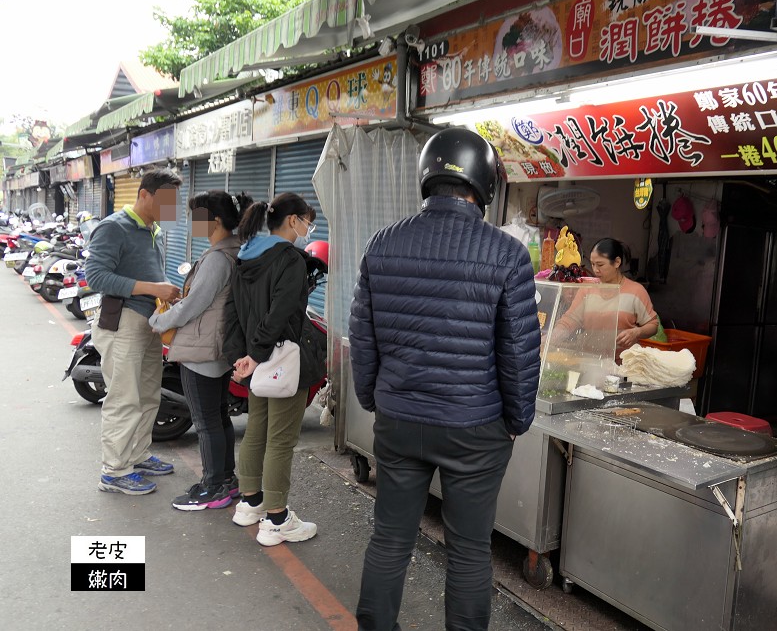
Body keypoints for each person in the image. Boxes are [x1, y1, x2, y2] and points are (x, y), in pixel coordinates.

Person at [350, 127, 542, 631]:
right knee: (469, 551)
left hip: (399, 418)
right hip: (474, 429)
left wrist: (375, 399)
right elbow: (520, 352)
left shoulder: (383, 244)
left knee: (390, 538)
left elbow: (363, 336)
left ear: (426, 177)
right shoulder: (507, 254)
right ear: (484, 184)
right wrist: (517, 421)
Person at [223, 192, 320, 546]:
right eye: (308, 220)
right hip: (283, 362)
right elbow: (280, 314)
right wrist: (259, 354)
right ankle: (277, 519)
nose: (309, 227)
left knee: (256, 432)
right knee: (280, 440)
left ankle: (250, 504)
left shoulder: (245, 256)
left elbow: (231, 313)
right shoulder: (291, 260)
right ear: (293, 221)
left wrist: (242, 356)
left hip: (253, 362)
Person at [149, 190, 252, 511]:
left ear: (215, 220)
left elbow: (195, 304)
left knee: (206, 421)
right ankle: (225, 480)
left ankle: (213, 486)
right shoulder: (235, 250)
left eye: (196, 216)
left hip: (201, 348)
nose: (191, 222)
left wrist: (159, 319)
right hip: (217, 347)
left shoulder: (218, 258)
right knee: (218, 416)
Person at [86, 168, 182, 495]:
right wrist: (151, 286)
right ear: (144, 194)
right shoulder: (114, 228)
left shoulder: (153, 229)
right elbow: (95, 276)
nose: (172, 209)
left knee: (148, 394)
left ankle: (138, 454)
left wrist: (165, 291)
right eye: (167, 201)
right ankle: (114, 471)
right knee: (124, 398)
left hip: (150, 323)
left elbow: (149, 272)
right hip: (123, 321)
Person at [555, 238, 660, 363]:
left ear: (616, 262)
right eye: (593, 264)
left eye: (600, 265)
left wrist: (637, 332)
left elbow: (653, 326)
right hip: (589, 360)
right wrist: (551, 337)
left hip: (623, 363)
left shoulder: (636, 291)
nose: (595, 270)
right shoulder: (587, 289)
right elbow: (570, 320)